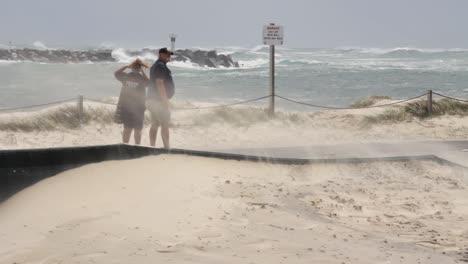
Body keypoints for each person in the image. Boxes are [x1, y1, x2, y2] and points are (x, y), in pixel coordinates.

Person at [114, 58, 149, 145]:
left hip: (126, 107)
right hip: (139, 108)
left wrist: (126, 66)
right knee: (137, 130)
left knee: (127, 129)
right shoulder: (142, 79)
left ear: (132, 67)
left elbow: (116, 73)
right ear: (140, 68)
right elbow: (149, 83)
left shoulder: (126, 76)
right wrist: (142, 72)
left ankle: (125, 146)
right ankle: (137, 147)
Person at [148, 47, 175, 148]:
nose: (169, 57)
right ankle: (166, 147)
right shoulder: (161, 66)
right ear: (161, 55)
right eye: (167, 55)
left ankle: (152, 147)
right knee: (165, 124)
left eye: (170, 55)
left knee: (155, 124)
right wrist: (164, 100)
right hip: (158, 100)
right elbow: (159, 83)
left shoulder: (156, 65)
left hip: (152, 99)